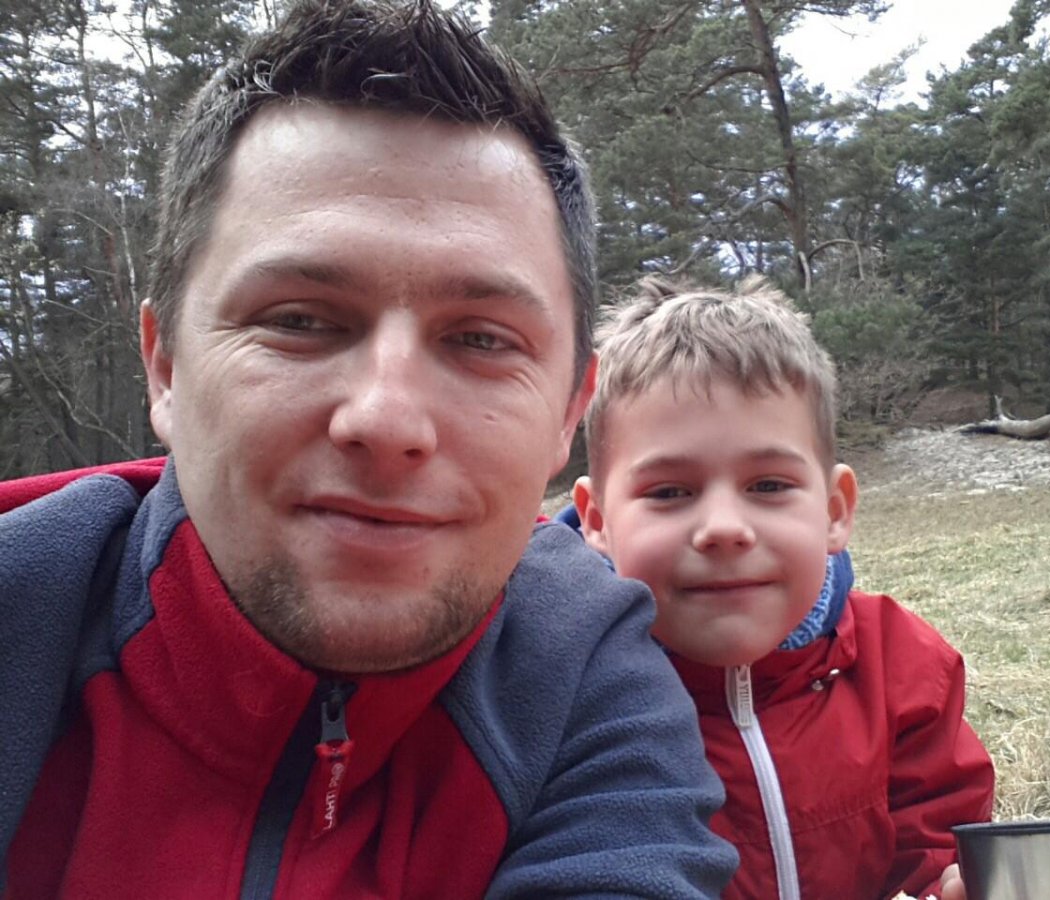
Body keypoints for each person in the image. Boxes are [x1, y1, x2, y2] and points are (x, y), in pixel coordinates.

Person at [0, 2, 739, 896]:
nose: (388, 421)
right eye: (300, 321)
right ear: (166, 368)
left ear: (568, 413)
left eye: (481, 339)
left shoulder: (587, 672)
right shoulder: (23, 606)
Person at [567, 276, 996, 900]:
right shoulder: (570, 690)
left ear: (834, 509)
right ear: (598, 520)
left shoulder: (901, 667)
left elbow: (938, 852)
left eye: (767, 485)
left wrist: (960, 886)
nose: (724, 528)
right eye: (669, 491)